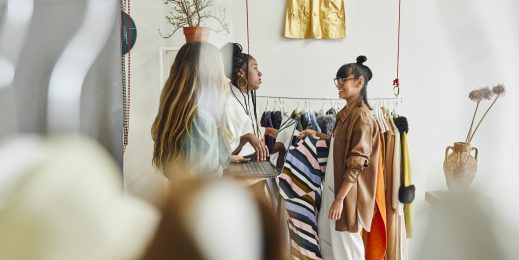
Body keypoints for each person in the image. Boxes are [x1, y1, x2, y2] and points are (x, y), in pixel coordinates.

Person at [299, 56, 381, 259]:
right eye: (337, 80)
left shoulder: (362, 118)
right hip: (334, 190)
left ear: (359, 83)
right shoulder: (346, 113)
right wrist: (318, 135)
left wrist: (339, 199)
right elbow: (340, 146)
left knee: (347, 250)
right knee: (329, 245)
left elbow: (356, 163)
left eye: (343, 79)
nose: (339, 85)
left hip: (346, 195)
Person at [151, 42, 245, 179]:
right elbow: (203, 183)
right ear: (213, 75)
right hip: (202, 197)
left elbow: (222, 158)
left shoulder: (177, 110)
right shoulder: (201, 120)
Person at [220, 42, 277, 162]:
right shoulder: (227, 104)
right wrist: (247, 138)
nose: (260, 73)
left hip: (253, 160)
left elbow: (246, 127)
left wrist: (268, 131)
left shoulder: (248, 97)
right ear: (241, 72)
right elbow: (225, 154)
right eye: (255, 68)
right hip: (237, 165)